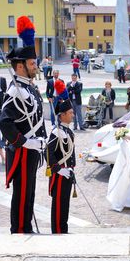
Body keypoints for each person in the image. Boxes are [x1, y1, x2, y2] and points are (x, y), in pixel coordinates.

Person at [0, 16, 47, 234]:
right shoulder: (15, 91)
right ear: (20, 67)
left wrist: (42, 141)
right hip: (22, 152)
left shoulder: (29, 88)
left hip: (33, 150)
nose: (35, 66)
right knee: (22, 193)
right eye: (32, 63)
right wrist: (26, 143)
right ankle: (19, 229)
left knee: (30, 192)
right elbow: (5, 124)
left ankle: (26, 225)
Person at [47, 96, 76, 234]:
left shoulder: (68, 131)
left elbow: (70, 153)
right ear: (62, 115)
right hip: (59, 174)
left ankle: (63, 229)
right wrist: (58, 170)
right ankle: (58, 231)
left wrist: (71, 168)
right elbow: (48, 153)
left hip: (67, 172)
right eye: (70, 113)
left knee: (65, 204)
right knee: (58, 205)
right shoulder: (56, 132)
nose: (72, 115)